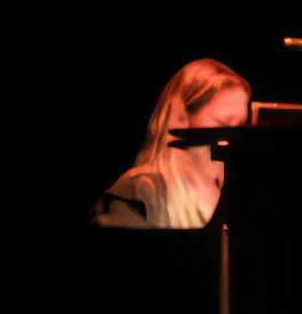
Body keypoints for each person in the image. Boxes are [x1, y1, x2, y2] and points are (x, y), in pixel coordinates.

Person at [92, 58, 251, 229]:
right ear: (182, 117)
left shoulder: (238, 193)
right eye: (223, 124)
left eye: (240, 127)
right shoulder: (141, 193)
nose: (233, 137)